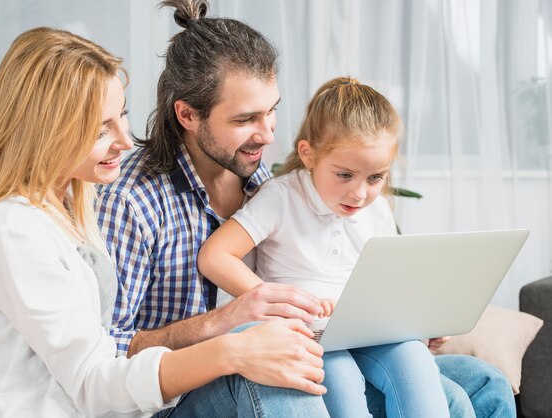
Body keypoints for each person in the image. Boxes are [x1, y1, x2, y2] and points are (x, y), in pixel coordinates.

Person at [97, 1, 516, 417]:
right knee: (287, 368)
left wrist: (402, 322)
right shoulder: (132, 200)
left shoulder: (263, 182)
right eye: (246, 119)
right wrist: (222, 323)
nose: (266, 135)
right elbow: (106, 351)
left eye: (272, 111)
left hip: (307, 345)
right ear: (188, 114)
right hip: (177, 397)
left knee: (480, 386)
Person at [0, 26, 330, 417]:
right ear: (47, 133)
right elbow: (93, 379)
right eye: (102, 129)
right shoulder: (11, 229)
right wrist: (232, 348)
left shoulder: (68, 207)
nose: (125, 140)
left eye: (121, 116)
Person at [197, 76, 451, 417]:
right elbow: (214, 256)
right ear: (308, 155)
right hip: (306, 331)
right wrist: (274, 300)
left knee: (415, 358)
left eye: (375, 178)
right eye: (345, 175)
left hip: (363, 328)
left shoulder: (374, 210)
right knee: (338, 373)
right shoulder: (281, 196)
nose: (360, 193)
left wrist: (417, 323)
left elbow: (388, 282)